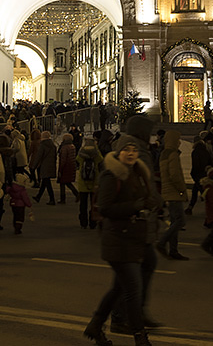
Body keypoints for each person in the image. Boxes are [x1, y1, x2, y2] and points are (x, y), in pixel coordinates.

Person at [83, 134, 158, 346]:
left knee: (119, 288)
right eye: (127, 150)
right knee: (133, 290)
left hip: (135, 238)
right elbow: (105, 208)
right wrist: (136, 206)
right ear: (118, 152)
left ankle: (95, 326)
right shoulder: (111, 175)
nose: (131, 153)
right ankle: (140, 337)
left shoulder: (138, 171)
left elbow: (146, 198)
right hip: (118, 239)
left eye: (134, 150)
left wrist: (152, 203)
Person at [155, 129, 188, 260]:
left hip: (168, 191)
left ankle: (173, 250)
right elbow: (174, 174)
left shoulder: (164, 153)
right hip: (174, 192)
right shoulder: (172, 154)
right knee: (180, 221)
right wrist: (182, 189)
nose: (179, 142)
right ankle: (162, 243)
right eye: (178, 139)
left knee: (175, 221)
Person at [76, 135, 104, 229]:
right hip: (94, 181)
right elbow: (101, 160)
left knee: (83, 204)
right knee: (93, 203)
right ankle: (92, 222)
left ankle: (83, 222)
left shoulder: (81, 152)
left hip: (83, 182)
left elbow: (77, 160)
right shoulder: (96, 153)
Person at [186, 131, 212, 216]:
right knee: (195, 190)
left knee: (204, 193)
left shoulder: (195, 152)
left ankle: (212, 210)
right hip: (204, 174)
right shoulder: (205, 150)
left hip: (198, 175)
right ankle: (190, 207)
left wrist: (193, 174)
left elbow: (195, 165)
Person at [31, 130, 57, 205]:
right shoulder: (53, 146)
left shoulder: (43, 145)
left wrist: (34, 166)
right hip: (51, 166)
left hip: (44, 166)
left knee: (47, 183)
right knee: (45, 182)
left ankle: (52, 199)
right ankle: (38, 197)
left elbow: (39, 156)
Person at [56, 133, 79, 204]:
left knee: (63, 183)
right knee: (67, 182)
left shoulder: (64, 147)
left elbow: (63, 159)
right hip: (71, 166)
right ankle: (76, 194)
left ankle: (63, 198)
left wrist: (60, 169)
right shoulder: (72, 146)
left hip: (65, 167)